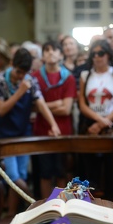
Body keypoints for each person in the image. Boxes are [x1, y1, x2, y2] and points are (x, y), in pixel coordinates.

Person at [0, 48, 61, 217]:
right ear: (11, 64)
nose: (20, 76)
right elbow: (1, 110)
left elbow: (41, 103)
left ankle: (13, 215)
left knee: (22, 174)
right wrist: (20, 92)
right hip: (5, 136)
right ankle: (38, 203)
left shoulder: (31, 80)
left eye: (24, 73)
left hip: (24, 134)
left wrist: (53, 124)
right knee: (12, 176)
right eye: (18, 72)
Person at [78, 39, 113, 199]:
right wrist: (98, 121)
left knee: (111, 168)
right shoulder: (85, 75)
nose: (97, 57)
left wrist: (103, 122)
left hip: (112, 123)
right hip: (90, 125)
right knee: (89, 168)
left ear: (108, 55)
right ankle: (87, 206)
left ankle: (111, 204)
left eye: (101, 53)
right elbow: (83, 105)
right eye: (93, 54)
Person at [32, 41, 77, 199]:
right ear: (42, 55)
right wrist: (57, 103)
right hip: (42, 130)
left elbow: (66, 109)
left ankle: (61, 205)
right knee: (44, 173)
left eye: (54, 50)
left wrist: (44, 106)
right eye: (47, 50)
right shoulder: (35, 76)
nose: (51, 53)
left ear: (61, 55)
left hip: (63, 130)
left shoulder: (68, 77)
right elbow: (33, 107)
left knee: (61, 171)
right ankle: (46, 207)